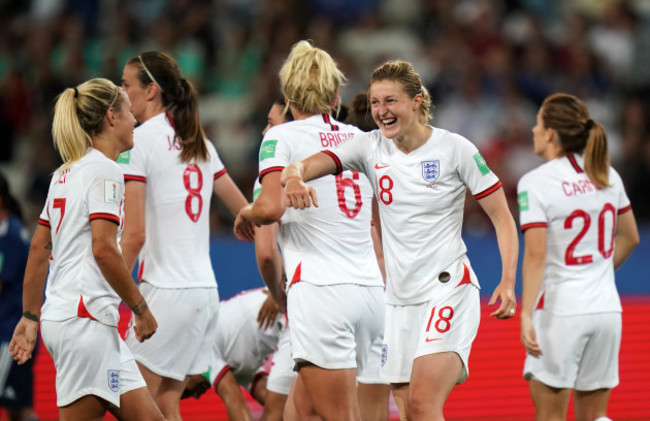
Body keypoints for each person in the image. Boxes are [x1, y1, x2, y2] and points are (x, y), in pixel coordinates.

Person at [280, 59, 519, 421]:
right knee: (409, 409)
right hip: (398, 302)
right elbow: (302, 166)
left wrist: (508, 280)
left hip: (447, 289)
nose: (381, 111)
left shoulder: (455, 149)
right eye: (376, 103)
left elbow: (502, 217)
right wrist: (295, 177)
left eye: (390, 101)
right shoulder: (367, 147)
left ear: (417, 100)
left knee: (423, 403)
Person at [234, 40, 389, 421]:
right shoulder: (361, 140)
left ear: (287, 96)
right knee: (299, 411)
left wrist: (245, 213)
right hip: (370, 293)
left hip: (322, 293)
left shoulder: (281, 137)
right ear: (335, 95)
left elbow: (269, 209)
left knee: (342, 415)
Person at [9, 78, 165, 420]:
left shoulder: (65, 174)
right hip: (84, 320)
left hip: (81, 319)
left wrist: (30, 315)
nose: (135, 119)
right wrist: (139, 307)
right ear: (111, 116)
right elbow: (104, 249)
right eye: (127, 110)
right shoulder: (106, 171)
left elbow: (39, 247)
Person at [119, 51, 254, 421]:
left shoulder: (139, 142)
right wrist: (247, 222)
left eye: (126, 84)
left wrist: (109, 291)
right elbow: (246, 211)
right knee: (164, 405)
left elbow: (134, 235)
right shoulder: (201, 145)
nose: (120, 92)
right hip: (204, 294)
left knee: (123, 398)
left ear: (150, 91)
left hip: (165, 292)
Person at [517, 93, 640, 421]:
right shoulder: (606, 174)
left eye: (538, 123)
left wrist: (526, 313)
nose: (533, 129)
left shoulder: (535, 183)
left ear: (551, 133)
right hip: (607, 311)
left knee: (550, 415)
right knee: (595, 416)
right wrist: (598, 271)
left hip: (562, 312)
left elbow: (536, 255)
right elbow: (631, 237)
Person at [182, 288, 293, 421]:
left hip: (288, 309)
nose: (196, 396)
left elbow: (234, 401)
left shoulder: (201, 351)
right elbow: (268, 395)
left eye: (187, 392)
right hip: (289, 317)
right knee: (291, 408)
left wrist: (278, 290)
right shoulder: (234, 363)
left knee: (274, 415)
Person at [0, 173, 38, 421]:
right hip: (11, 332)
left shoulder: (11, 236)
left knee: (19, 408)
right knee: (17, 407)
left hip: (8, 335)